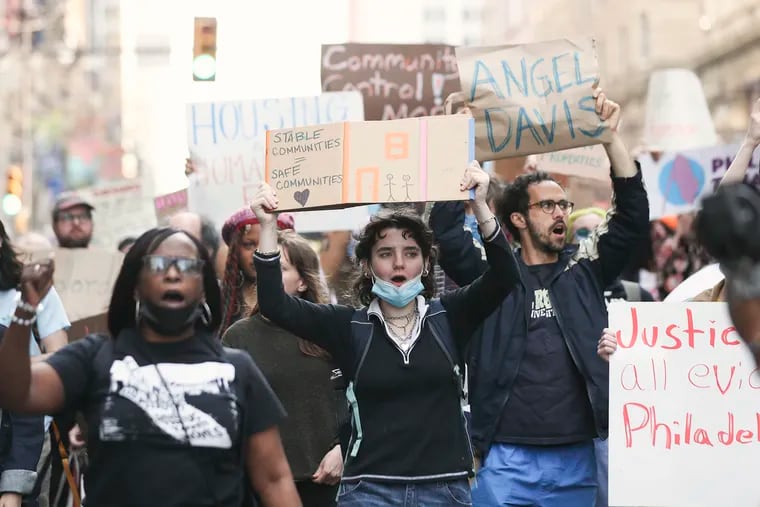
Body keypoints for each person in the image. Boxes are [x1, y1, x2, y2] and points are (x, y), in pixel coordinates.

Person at [250, 161, 519, 506]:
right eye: (385, 253)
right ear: (367, 265)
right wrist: (268, 225)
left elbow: (506, 277)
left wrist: (479, 205)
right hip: (369, 491)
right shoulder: (347, 326)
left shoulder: (451, 316)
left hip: (444, 489)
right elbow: (274, 303)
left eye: (410, 253)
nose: (398, 264)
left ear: (424, 264)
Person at [430, 88, 650, 506]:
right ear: (517, 218)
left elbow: (632, 216)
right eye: (547, 205)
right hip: (504, 457)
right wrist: (454, 140)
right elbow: (446, 232)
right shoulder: (492, 275)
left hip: (579, 456)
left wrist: (610, 139)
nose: (560, 213)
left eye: (563, 205)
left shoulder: (584, 269)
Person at [0, 227, 301, 506]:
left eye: (186, 267)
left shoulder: (237, 369)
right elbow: (18, 393)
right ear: (134, 284)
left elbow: (274, 479)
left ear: (204, 286)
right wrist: (25, 310)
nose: (172, 274)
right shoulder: (95, 358)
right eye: (158, 265)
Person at [224, 231, 347, 506]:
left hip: (328, 482)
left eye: (280, 268)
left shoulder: (329, 329)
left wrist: (344, 449)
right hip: (264, 486)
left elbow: (358, 399)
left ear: (303, 281)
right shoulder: (238, 337)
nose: (268, 275)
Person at [219, 207, 295, 335]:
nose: (259, 252)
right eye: (249, 244)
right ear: (235, 250)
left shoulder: (303, 299)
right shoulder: (219, 299)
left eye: (271, 242)